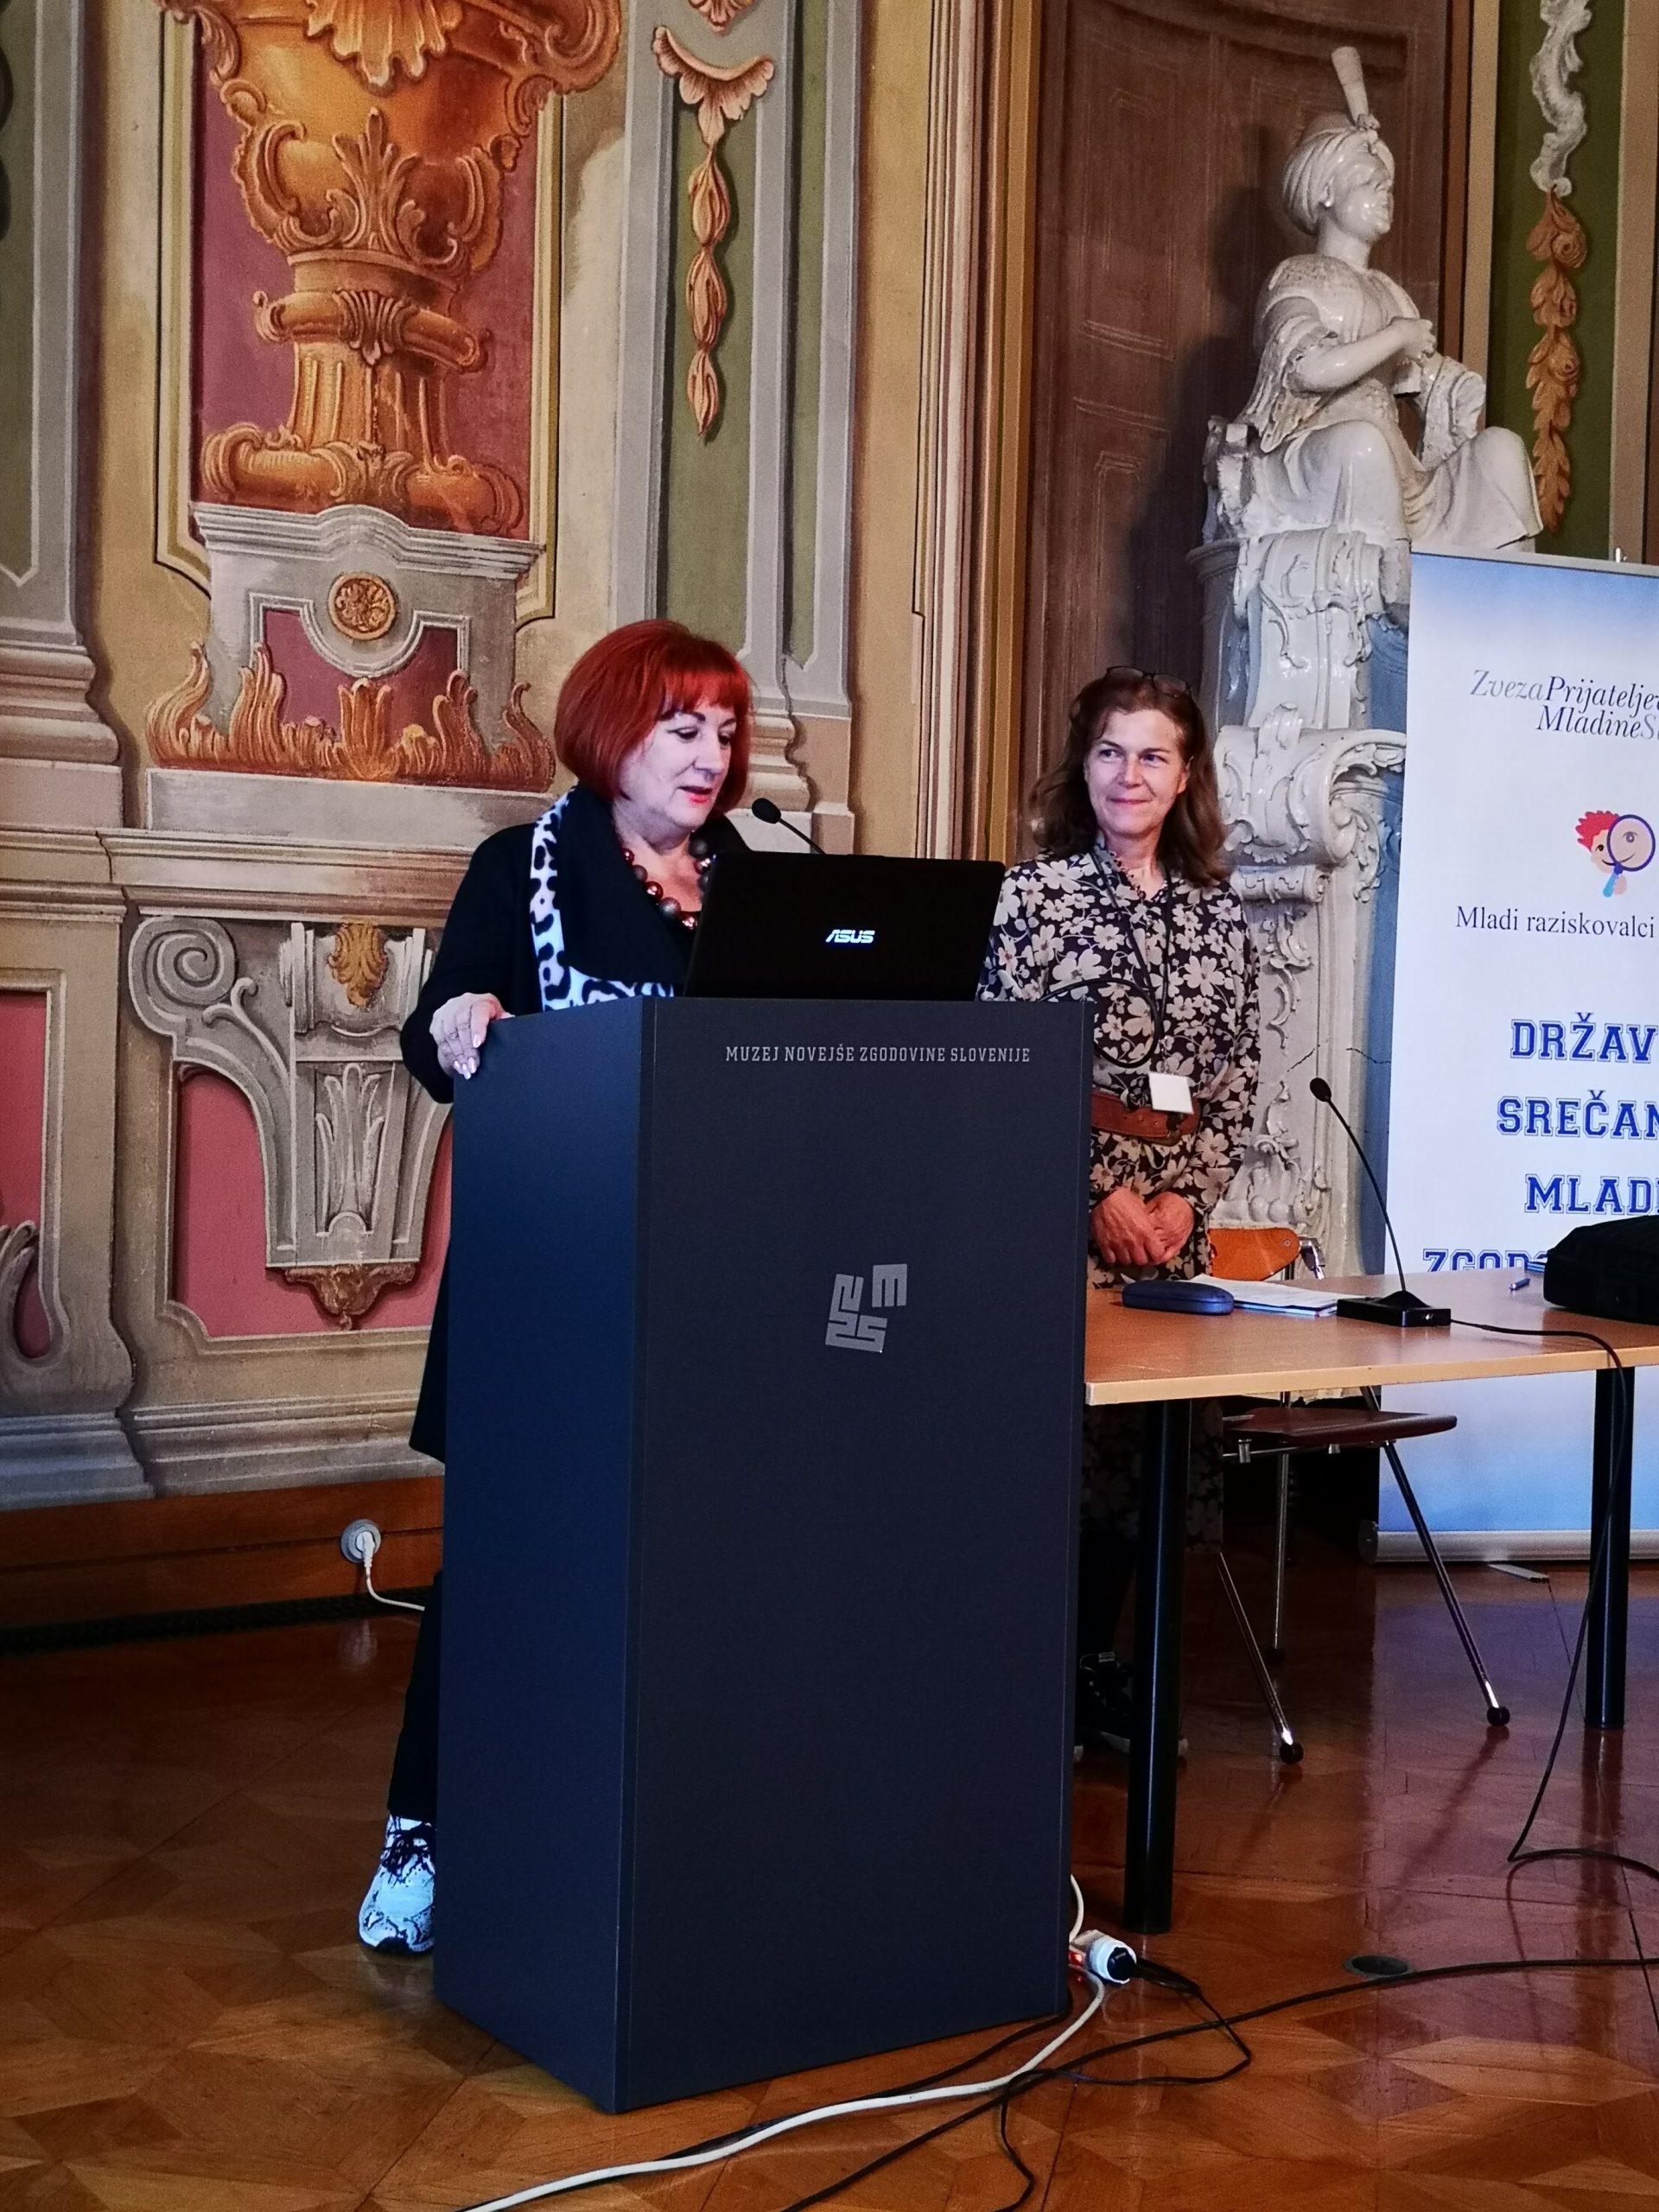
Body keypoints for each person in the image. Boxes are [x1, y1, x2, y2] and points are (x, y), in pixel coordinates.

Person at [357, 619, 753, 1954]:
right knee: (504, 1577)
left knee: (692, 1579)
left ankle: (652, 1837)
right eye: (681, 729)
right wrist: (463, 1019)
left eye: (724, 731)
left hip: (708, 1295)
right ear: (611, 731)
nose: (709, 755)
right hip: (553, 1292)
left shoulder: (746, 878)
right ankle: (423, 1837)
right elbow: (444, 1032)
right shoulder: (523, 865)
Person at [980, 666, 1260, 1755]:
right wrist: (1097, 1194)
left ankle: (1100, 1676)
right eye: (1109, 751)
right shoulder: (1032, 897)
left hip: (1172, 1241)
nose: (1128, 775)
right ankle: (1029, 1684)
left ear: (1185, 776)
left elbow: (1237, 1081)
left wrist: (1186, 1200)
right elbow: (1005, 1062)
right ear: (1082, 765)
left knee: (1149, 1467)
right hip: (1062, 1223)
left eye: (1152, 755)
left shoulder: (1222, 918)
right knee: (1065, 1462)